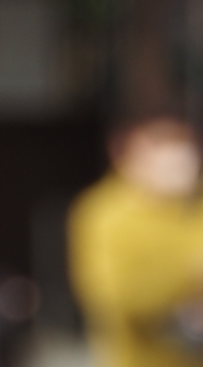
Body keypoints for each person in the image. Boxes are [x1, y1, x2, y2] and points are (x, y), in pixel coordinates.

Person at [70, 113, 203, 367]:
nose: (177, 163)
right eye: (162, 150)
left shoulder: (196, 206)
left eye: (183, 151)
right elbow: (115, 292)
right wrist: (190, 277)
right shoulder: (105, 214)